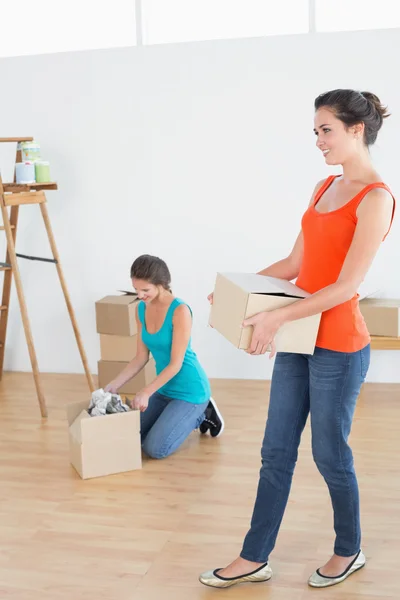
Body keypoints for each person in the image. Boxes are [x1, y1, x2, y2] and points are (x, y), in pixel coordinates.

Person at [199, 89, 396, 589]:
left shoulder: (376, 198)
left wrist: (276, 316)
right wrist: (234, 295)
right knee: (276, 450)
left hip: (340, 346)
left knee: (329, 453)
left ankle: (348, 549)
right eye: (315, 131)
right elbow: (294, 266)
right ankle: (253, 556)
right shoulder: (322, 187)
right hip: (299, 336)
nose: (318, 140)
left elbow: (346, 286)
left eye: (326, 130)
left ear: (357, 130)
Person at [105, 254, 224, 459]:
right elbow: (140, 357)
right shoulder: (141, 309)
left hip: (190, 390)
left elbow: (176, 364)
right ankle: (174, 414)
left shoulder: (180, 310)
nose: (140, 295)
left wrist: (145, 392)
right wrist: (114, 384)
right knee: (131, 436)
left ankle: (203, 412)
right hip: (164, 387)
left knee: (155, 449)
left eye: (145, 290)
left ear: (161, 284)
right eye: (136, 290)